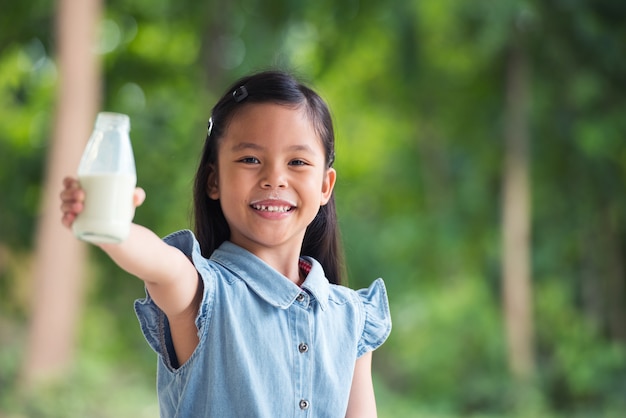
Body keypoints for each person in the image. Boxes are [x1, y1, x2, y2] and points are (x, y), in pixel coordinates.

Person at [60, 70, 391, 417]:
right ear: (214, 180)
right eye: (250, 159)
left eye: (297, 162)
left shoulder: (352, 318)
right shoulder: (203, 294)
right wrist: (113, 224)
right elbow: (159, 264)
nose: (274, 178)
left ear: (325, 185)